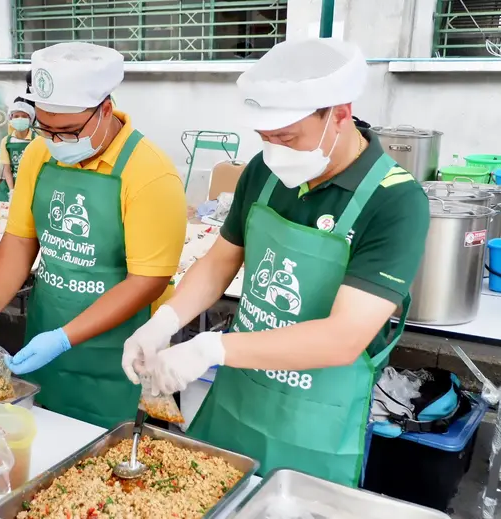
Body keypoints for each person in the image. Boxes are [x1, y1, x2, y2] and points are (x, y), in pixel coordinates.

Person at [123, 38, 430, 487]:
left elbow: (344, 338)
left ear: (339, 115)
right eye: (265, 138)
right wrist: (164, 321)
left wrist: (212, 349)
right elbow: (218, 263)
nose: (274, 150)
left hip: (315, 420)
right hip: (238, 398)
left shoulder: (396, 201)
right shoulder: (265, 172)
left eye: (286, 137)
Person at [0, 42, 187, 429]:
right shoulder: (37, 155)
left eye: (67, 131)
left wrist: (65, 337)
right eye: (44, 128)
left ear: (105, 110)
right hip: (45, 344)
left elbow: (148, 281)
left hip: (118, 359)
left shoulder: (149, 173)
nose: (54, 141)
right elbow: (19, 240)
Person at [0, 98, 34, 202]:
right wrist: (12, 191)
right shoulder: (6, 141)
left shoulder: (37, 140)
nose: (20, 119)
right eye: (16, 116)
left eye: (24, 116)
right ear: (11, 119)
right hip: (12, 183)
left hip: (31, 185)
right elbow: (7, 170)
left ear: (30, 119)